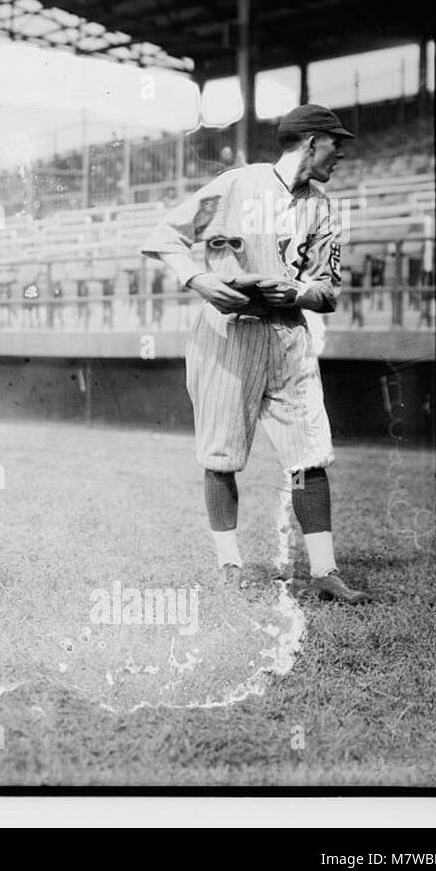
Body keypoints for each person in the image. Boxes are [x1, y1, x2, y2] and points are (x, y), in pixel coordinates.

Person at [139, 103, 370, 603]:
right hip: (228, 332)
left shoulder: (321, 206)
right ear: (311, 143)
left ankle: (325, 571)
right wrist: (202, 281)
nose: (342, 154)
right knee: (221, 454)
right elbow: (165, 236)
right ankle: (229, 566)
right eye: (336, 144)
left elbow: (328, 291)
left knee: (310, 453)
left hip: (288, 333)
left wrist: (299, 294)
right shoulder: (237, 185)